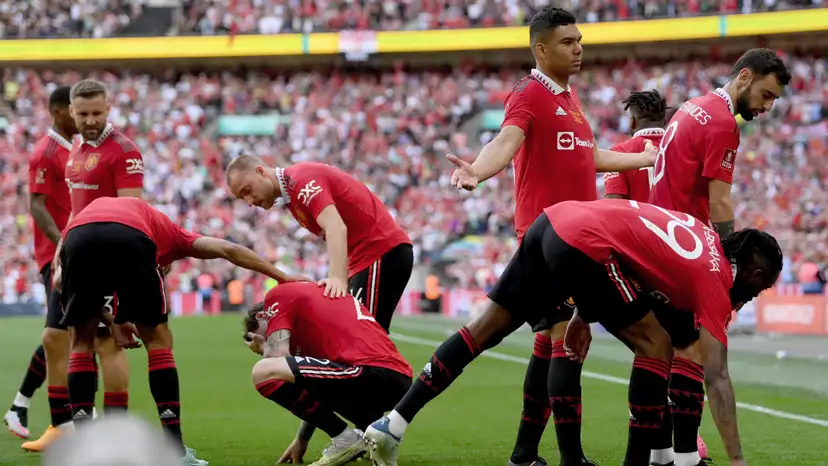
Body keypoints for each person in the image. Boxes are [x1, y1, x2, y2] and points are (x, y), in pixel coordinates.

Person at [364, 199, 781, 466]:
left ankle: (393, 424)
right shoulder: (714, 279)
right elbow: (718, 376)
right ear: (755, 273)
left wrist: (584, 311)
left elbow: (632, 253)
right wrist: (738, 461)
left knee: (482, 329)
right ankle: (645, 462)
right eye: (760, 288)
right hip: (587, 245)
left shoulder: (698, 233)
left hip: (553, 221)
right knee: (656, 345)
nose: (755, 297)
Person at [444, 7, 655, 466]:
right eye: (567, 42)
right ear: (541, 49)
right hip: (549, 243)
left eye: (580, 41)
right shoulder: (529, 95)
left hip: (573, 239)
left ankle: (523, 455)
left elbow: (588, 158)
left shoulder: (569, 101)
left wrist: (643, 160)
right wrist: (477, 171)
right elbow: (506, 141)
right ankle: (571, 459)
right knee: (563, 344)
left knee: (547, 348)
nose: (578, 49)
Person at [55, 196, 301, 465]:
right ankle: (175, 452)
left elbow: (59, 282)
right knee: (159, 342)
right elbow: (228, 248)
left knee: (80, 342)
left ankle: (81, 453)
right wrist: (282, 276)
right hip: (131, 236)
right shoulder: (171, 233)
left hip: (77, 237)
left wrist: (113, 321)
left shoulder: (88, 221)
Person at [648, 48, 790, 466]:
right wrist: (728, 258)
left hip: (658, 236)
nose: (766, 107)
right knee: (696, 353)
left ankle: (661, 454)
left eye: (774, 101)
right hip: (683, 246)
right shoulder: (724, 123)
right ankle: (690, 458)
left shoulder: (693, 107)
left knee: (659, 353)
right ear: (744, 77)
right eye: (766, 95)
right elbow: (721, 202)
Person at [225, 156, 413, 462]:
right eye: (240, 197)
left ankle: (372, 436)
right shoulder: (293, 198)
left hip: (379, 252)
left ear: (261, 170)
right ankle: (366, 436)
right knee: (343, 358)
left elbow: (336, 226)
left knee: (364, 359)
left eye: (247, 189)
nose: (248, 201)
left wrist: (338, 278)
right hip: (368, 259)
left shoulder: (301, 180)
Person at [23, 79, 144, 452]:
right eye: (84, 114)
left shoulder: (124, 151)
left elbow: (130, 212)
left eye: (97, 113)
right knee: (62, 339)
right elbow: (76, 211)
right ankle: (64, 427)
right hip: (76, 257)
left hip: (107, 259)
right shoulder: (77, 150)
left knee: (108, 346)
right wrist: (62, 252)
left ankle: (117, 433)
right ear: (71, 113)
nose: (90, 120)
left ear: (108, 110)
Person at [603, 89, 715, 463]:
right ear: (666, 120)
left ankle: (658, 451)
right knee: (686, 354)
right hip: (684, 265)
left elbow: (615, 214)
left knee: (651, 356)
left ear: (633, 120)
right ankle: (688, 448)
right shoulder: (682, 146)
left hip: (639, 270)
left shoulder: (622, 151)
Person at [243, 282, 413, 466]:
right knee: (305, 377)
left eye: (266, 336)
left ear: (263, 315)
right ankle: (371, 436)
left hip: (372, 372)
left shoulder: (277, 299)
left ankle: (347, 440)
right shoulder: (312, 316)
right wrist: (302, 439)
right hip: (395, 380)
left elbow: (276, 359)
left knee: (263, 370)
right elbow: (317, 383)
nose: (270, 340)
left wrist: (264, 348)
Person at [5, 87, 77, 441]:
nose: (81, 117)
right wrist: (64, 241)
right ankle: (57, 415)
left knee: (63, 332)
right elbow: (36, 205)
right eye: (75, 110)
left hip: (75, 250)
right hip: (58, 255)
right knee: (60, 334)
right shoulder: (45, 153)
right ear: (58, 111)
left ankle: (23, 406)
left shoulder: (72, 148)